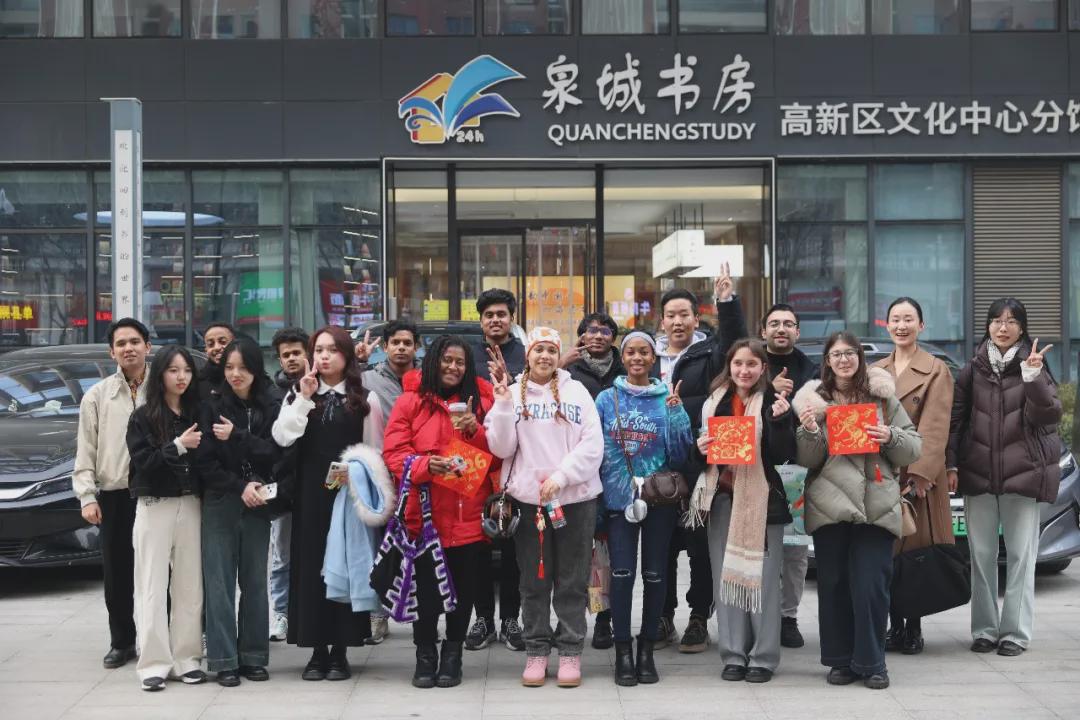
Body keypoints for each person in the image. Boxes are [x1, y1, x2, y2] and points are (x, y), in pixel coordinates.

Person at [792, 332, 922, 690]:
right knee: (833, 585)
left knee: (871, 586)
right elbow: (807, 460)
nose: (844, 359)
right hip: (829, 505)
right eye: (837, 354)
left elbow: (913, 447)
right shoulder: (814, 401)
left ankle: (872, 661)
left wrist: (889, 436)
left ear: (860, 359)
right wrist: (809, 432)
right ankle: (840, 660)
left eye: (850, 353)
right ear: (827, 361)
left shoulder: (883, 398)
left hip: (875, 504)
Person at [484, 327, 604, 688]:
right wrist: (501, 404)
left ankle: (569, 651)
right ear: (528, 355)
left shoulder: (577, 392)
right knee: (533, 581)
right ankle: (536, 650)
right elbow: (501, 448)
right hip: (528, 502)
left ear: (558, 356)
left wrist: (562, 476)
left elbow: (593, 444)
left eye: (552, 350)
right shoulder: (512, 393)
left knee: (572, 580)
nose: (545, 356)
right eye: (539, 350)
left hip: (575, 500)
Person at [948, 297, 1061, 657]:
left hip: (1023, 474)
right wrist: (952, 465)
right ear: (988, 326)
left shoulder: (1034, 365)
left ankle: (1015, 633)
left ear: (1022, 328)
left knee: (1021, 557)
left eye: (1011, 321)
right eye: (997, 320)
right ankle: (984, 629)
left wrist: (1032, 377)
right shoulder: (972, 369)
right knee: (980, 557)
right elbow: (956, 421)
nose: (1003, 327)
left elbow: (1049, 416)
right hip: (978, 473)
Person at [272, 325, 385, 681]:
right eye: (318, 350)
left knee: (346, 567)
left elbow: (375, 451)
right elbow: (282, 436)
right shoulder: (299, 393)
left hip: (347, 496)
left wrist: (360, 473)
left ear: (346, 355)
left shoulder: (364, 398)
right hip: (309, 496)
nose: (323, 356)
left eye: (332, 350)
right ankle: (316, 650)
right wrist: (304, 398)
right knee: (310, 568)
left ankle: (340, 651)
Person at [382, 335, 495, 688]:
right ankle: (425, 654)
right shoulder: (409, 402)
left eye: (460, 362)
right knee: (426, 591)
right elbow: (393, 453)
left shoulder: (481, 404)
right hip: (424, 517)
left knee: (463, 590)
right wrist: (425, 465)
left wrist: (476, 432)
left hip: (468, 515)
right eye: (447, 359)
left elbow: (498, 456)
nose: (453, 367)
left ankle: (453, 654)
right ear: (433, 361)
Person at [685, 339, 795, 684]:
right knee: (727, 579)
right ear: (729, 367)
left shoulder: (773, 403)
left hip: (763, 501)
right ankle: (733, 654)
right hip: (721, 499)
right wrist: (700, 449)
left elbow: (784, 454)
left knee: (763, 582)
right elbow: (700, 457)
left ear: (763, 368)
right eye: (738, 364)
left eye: (751, 364)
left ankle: (763, 657)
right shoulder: (713, 404)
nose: (744, 370)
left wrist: (781, 422)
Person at [594, 331, 692, 686]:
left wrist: (677, 415)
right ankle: (622, 651)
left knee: (655, 574)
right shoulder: (606, 399)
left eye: (644, 352)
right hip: (618, 499)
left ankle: (647, 649)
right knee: (621, 574)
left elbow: (680, 456)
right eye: (631, 352)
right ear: (622, 358)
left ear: (654, 358)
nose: (637, 358)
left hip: (658, 498)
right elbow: (594, 450)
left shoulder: (668, 397)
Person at [658, 266, 745, 654]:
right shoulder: (647, 354)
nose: (677, 322)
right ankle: (662, 616)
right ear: (662, 321)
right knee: (661, 546)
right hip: (656, 466)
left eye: (684, 314)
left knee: (698, 546)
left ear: (696, 318)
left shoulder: (710, 354)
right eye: (671, 315)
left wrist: (727, 302)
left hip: (699, 463)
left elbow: (736, 344)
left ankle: (698, 617)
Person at [872, 298, 956, 656]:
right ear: (886, 325)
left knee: (915, 551)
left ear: (921, 325)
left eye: (908, 319)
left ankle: (914, 627)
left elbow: (936, 427)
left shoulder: (936, 369)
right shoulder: (876, 370)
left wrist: (921, 475)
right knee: (887, 552)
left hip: (918, 476)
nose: (901, 325)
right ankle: (894, 625)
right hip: (883, 474)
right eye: (895, 319)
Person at [126, 345, 208, 692]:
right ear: (160, 375)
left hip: (191, 504)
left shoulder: (198, 413)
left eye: (186, 370)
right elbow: (143, 463)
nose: (181, 377)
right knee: (151, 586)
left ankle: (188, 658)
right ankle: (153, 664)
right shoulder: (142, 417)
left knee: (190, 586)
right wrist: (177, 446)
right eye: (173, 370)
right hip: (154, 504)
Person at [200, 338, 281, 686]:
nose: (235, 374)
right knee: (218, 583)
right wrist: (239, 486)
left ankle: (253, 656)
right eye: (229, 367)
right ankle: (224, 659)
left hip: (259, 500)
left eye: (243, 368)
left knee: (255, 581)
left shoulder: (271, 404)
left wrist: (238, 439)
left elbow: (275, 452)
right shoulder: (211, 405)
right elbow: (205, 462)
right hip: (221, 500)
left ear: (255, 369)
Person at [72, 318, 151, 669]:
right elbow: (86, 449)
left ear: (148, 346)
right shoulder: (97, 395)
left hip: (157, 494)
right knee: (117, 575)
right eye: (121, 344)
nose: (128, 348)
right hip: (116, 494)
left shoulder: (163, 388)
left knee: (159, 572)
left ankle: (159, 638)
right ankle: (122, 642)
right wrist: (87, 496)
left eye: (134, 341)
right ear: (112, 352)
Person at [468, 288, 526, 652]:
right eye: (489, 314)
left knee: (512, 544)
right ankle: (484, 619)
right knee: (478, 543)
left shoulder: (526, 354)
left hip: (513, 459)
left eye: (502, 314)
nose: (495, 320)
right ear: (481, 320)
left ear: (512, 318)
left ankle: (511, 619)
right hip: (474, 455)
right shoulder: (467, 354)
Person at [562, 312, 624, 650]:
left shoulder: (624, 369)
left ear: (613, 337)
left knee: (605, 553)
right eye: (591, 331)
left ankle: (603, 619)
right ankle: (568, 619)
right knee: (572, 553)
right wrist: (561, 364)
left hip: (613, 473)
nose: (598, 336)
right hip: (575, 471)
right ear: (581, 336)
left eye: (605, 331)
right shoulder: (568, 371)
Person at [759, 303, 819, 650]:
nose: (781, 329)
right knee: (760, 550)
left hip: (797, 472)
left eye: (788, 324)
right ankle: (760, 616)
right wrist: (768, 387)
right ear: (763, 331)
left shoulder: (813, 371)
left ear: (797, 332)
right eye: (774, 324)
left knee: (795, 552)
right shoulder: (750, 363)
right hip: (757, 471)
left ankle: (788, 617)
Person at [267, 327, 310, 643]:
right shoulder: (271, 393)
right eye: (286, 355)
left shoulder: (322, 388)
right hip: (282, 486)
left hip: (316, 484)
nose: (292, 358)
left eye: (297, 352)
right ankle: (281, 612)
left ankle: (308, 612)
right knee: (282, 555)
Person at [199, 322, 236, 399]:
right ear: (206, 350)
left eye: (223, 342)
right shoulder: (197, 382)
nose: (217, 347)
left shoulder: (248, 376)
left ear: (235, 344)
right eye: (210, 344)